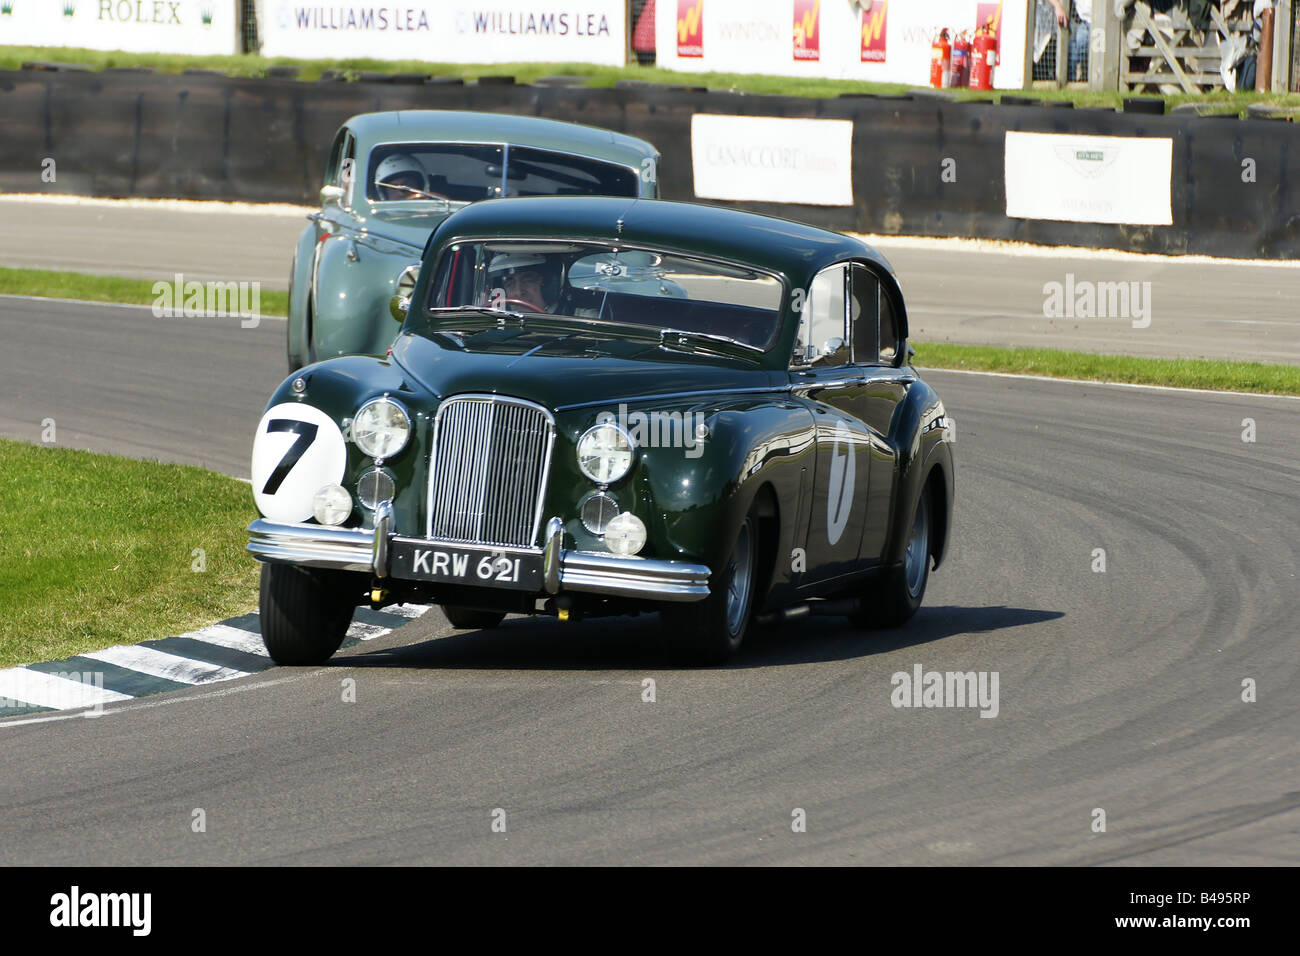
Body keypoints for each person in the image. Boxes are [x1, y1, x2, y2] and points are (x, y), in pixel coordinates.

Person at [485, 252, 561, 313]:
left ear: (547, 285)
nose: (518, 292)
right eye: (509, 283)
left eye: (527, 280)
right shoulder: (496, 327)